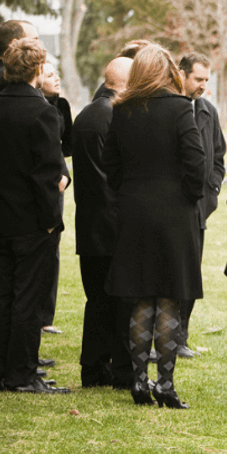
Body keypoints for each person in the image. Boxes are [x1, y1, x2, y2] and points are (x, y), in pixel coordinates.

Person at [102, 44, 206, 409]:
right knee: (169, 297)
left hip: (134, 212)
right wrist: (188, 196)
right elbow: (196, 162)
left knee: (142, 296)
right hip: (174, 214)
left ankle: (138, 380)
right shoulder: (180, 108)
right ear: (168, 73)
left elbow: (110, 165)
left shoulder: (122, 110)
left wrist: (128, 193)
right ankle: (165, 383)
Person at [0, 38, 70, 393]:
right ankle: (22, 374)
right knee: (28, 299)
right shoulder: (42, 112)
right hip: (32, 220)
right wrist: (50, 220)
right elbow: (47, 173)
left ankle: (0, 369)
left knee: (3, 294)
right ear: (37, 69)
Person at [72, 56, 135, 389]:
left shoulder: (87, 114)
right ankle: (117, 368)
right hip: (112, 224)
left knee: (97, 301)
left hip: (90, 221)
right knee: (118, 301)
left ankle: (94, 367)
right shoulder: (113, 117)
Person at [177, 53, 227, 359]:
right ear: (182, 75)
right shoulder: (171, 108)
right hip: (173, 207)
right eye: (198, 79)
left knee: (191, 275)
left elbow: (218, 156)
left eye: (207, 80)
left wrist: (213, 190)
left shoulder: (208, 111)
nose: (203, 86)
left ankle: (180, 337)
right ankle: (162, 336)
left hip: (199, 210)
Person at [37, 60, 72, 339]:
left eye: (56, 74)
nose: (56, 79)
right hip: (41, 183)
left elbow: (67, 146)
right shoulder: (37, 108)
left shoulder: (61, 106)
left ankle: (46, 316)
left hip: (57, 181)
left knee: (53, 250)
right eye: (50, 75)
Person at [0, 20, 38, 115]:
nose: (38, 46)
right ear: (14, 44)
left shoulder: (1, 76)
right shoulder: (3, 80)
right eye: (34, 40)